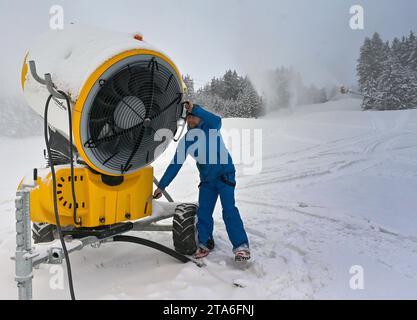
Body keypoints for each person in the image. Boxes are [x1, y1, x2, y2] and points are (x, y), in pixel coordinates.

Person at [154, 101, 250, 261]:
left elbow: (217, 120)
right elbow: (175, 164)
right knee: (204, 212)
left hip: (225, 175)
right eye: (188, 118)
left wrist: (195, 109)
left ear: (200, 118)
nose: (190, 120)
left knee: (229, 210)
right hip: (207, 180)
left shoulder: (210, 128)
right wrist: (162, 186)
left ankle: (241, 247)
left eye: (194, 117)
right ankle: (205, 244)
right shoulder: (186, 140)